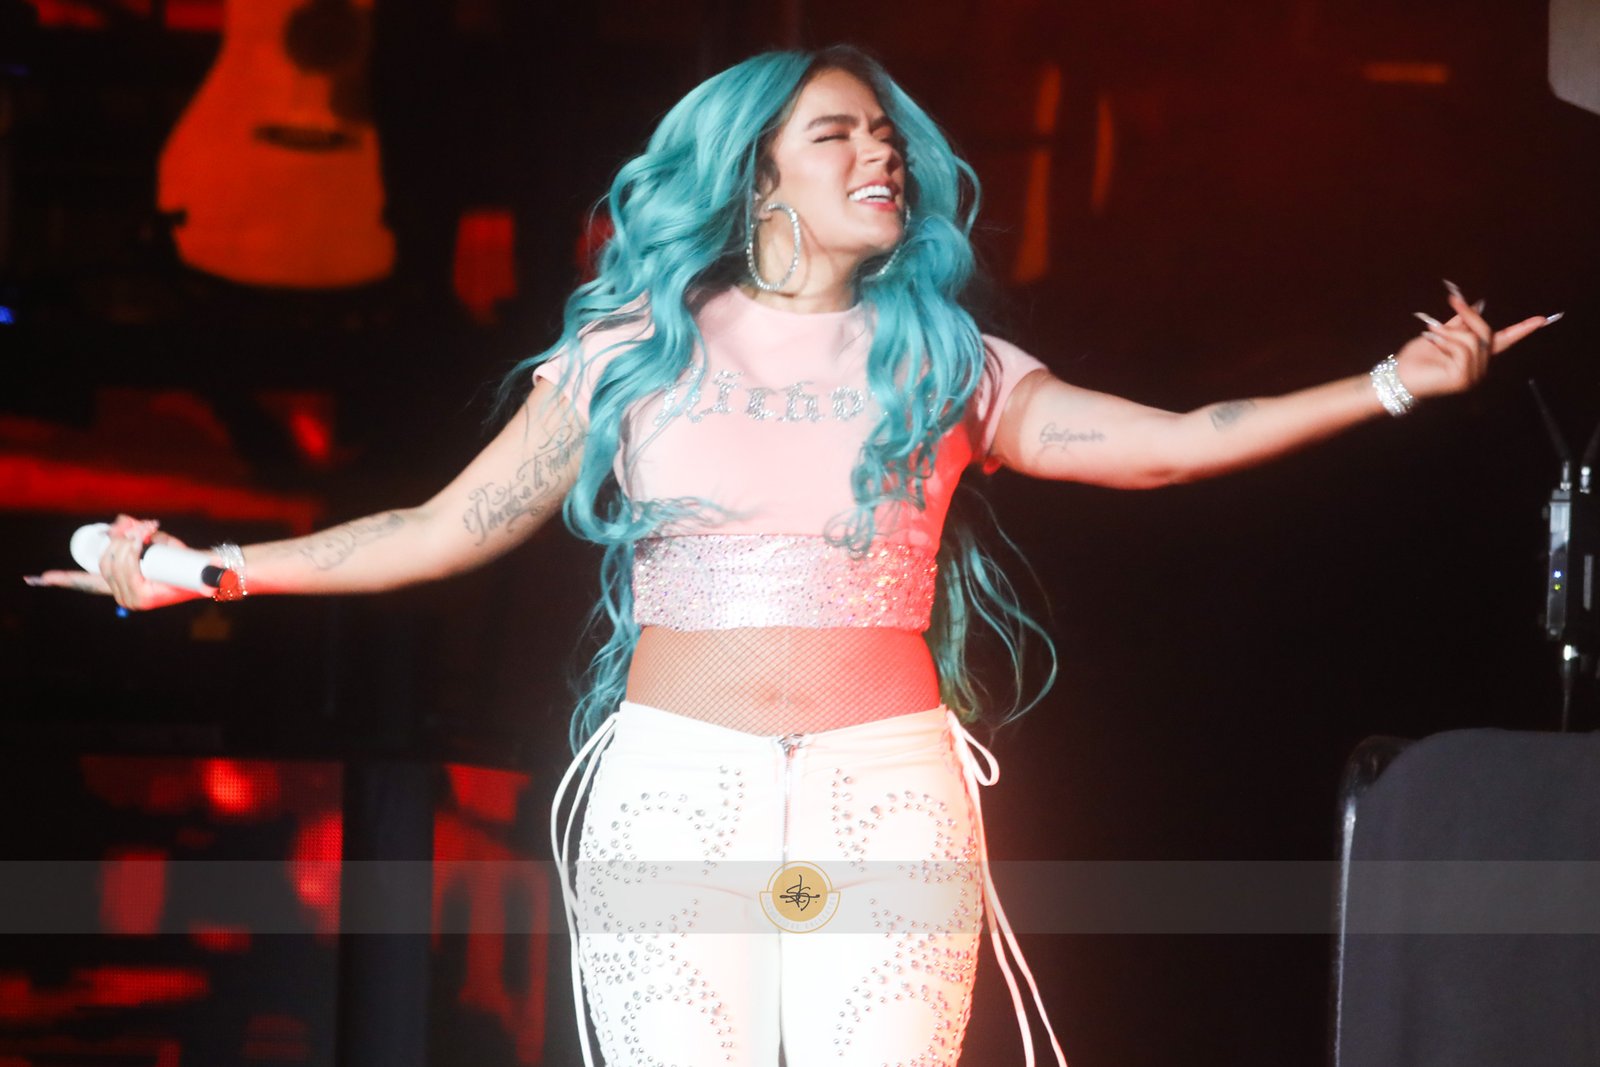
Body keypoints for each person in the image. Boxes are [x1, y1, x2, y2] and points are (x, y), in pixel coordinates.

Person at [28, 44, 1556, 1067]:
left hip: (885, 796)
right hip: (672, 793)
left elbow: (1171, 440)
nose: (880, 155)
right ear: (760, 174)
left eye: (888, 137)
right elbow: (440, 529)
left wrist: (1389, 384)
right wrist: (205, 569)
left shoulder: (946, 360)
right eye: (840, 134)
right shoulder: (632, 350)